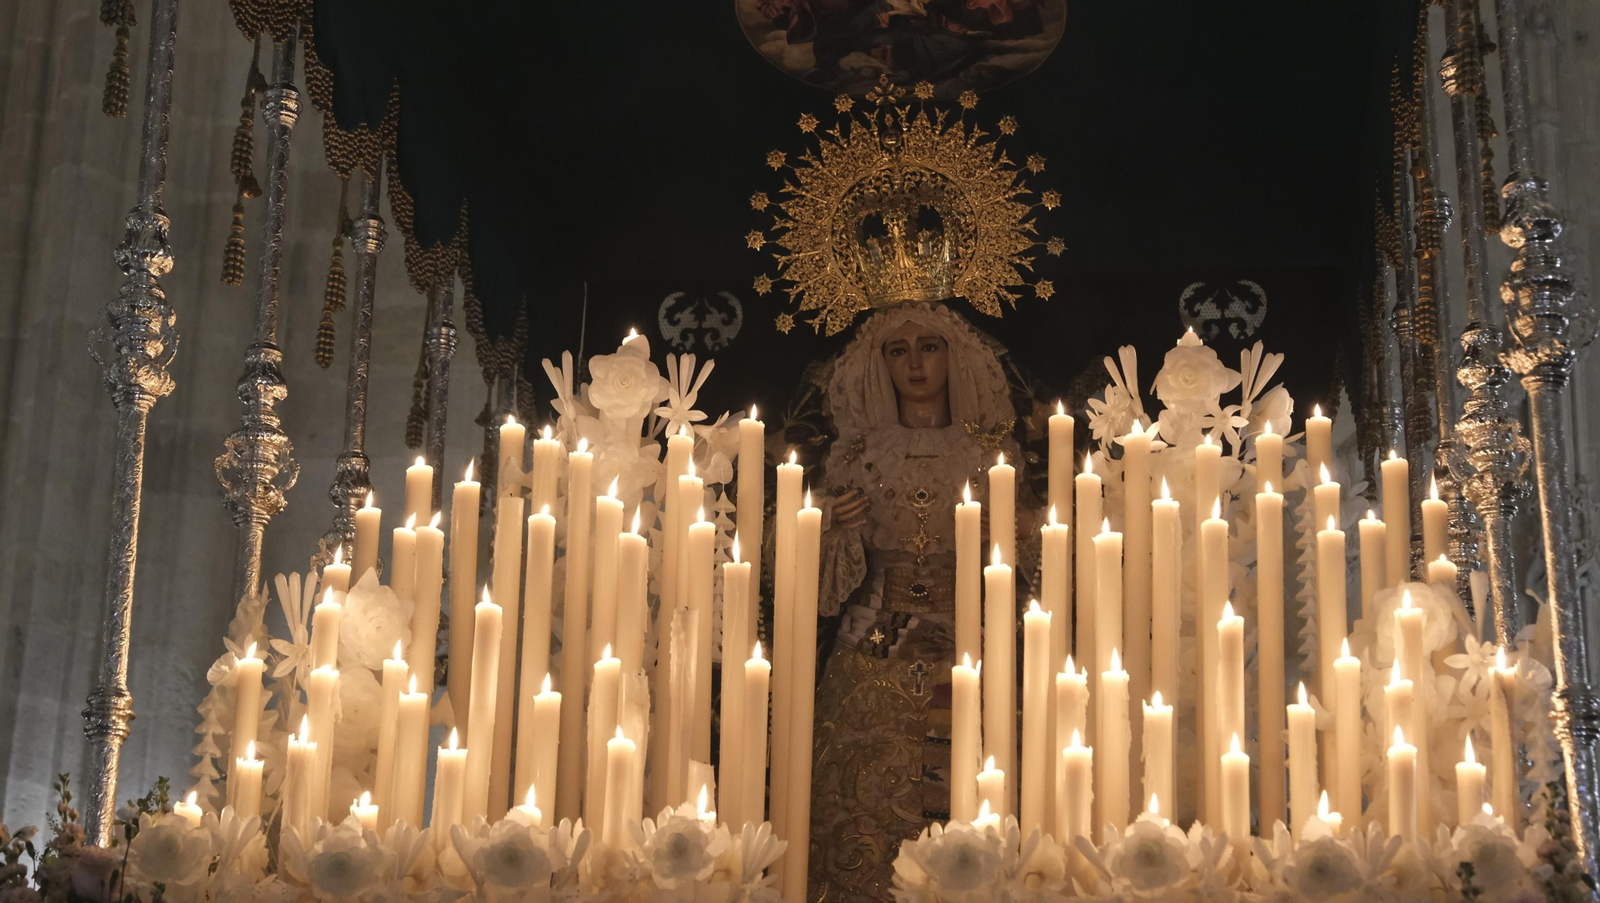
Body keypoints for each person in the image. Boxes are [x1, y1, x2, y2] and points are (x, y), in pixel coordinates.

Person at [805, 300, 1027, 902]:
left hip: (968, 642)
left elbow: (1031, 557)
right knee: (861, 801)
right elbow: (814, 578)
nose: (915, 364)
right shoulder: (855, 455)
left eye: (929, 346)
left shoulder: (989, 453)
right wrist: (832, 526)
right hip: (872, 646)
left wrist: (1005, 535)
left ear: (955, 356)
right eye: (897, 351)